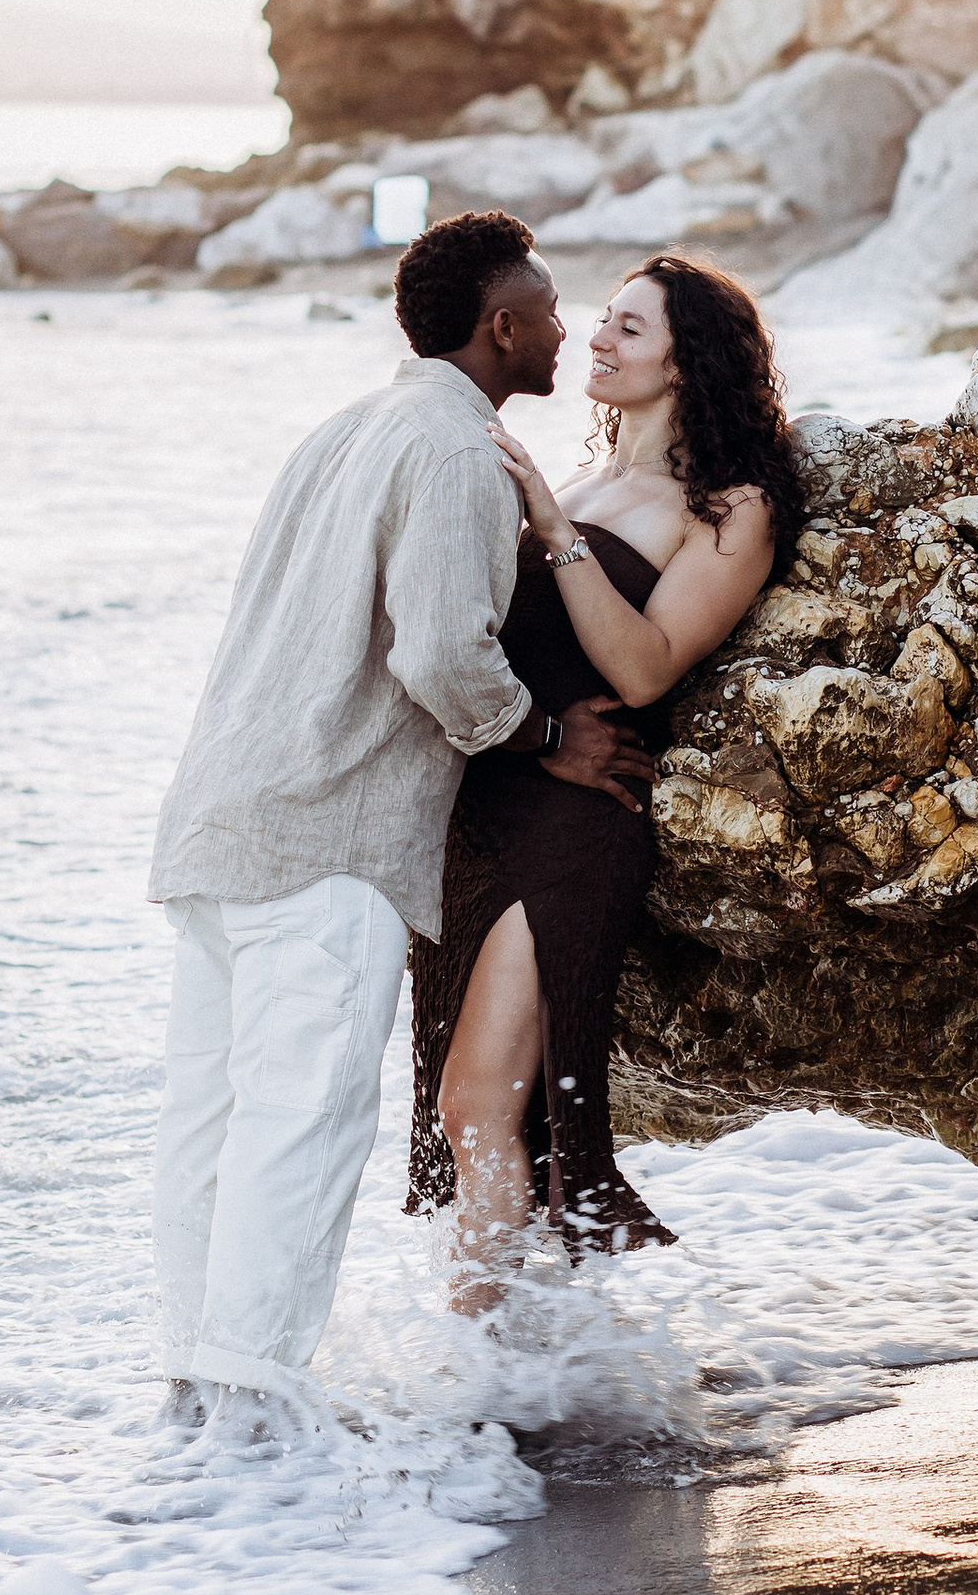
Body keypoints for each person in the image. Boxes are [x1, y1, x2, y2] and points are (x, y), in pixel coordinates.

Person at [147, 210, 651, 1410]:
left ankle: (196, 1382)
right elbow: (441, 654)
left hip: (219, 815)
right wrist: (546, 737)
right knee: (303, 1123)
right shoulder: (451, 450)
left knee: (208, 1124)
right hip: (330, 837)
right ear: (502, 326)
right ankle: (254, 1405)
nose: (565, 327)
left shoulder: (343, 431)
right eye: (549, 309)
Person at [407, 250, 808, 1297]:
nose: (596, 337)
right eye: (603, 319)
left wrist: (552, 532)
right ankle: (535, 1360)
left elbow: (642, 669)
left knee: (478, 1104)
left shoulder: (730, 504)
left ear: (687, 361)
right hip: (489, 801)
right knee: (480, 1115)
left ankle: (479, 1384)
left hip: (580, 819)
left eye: (630, 327)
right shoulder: (579, 474)